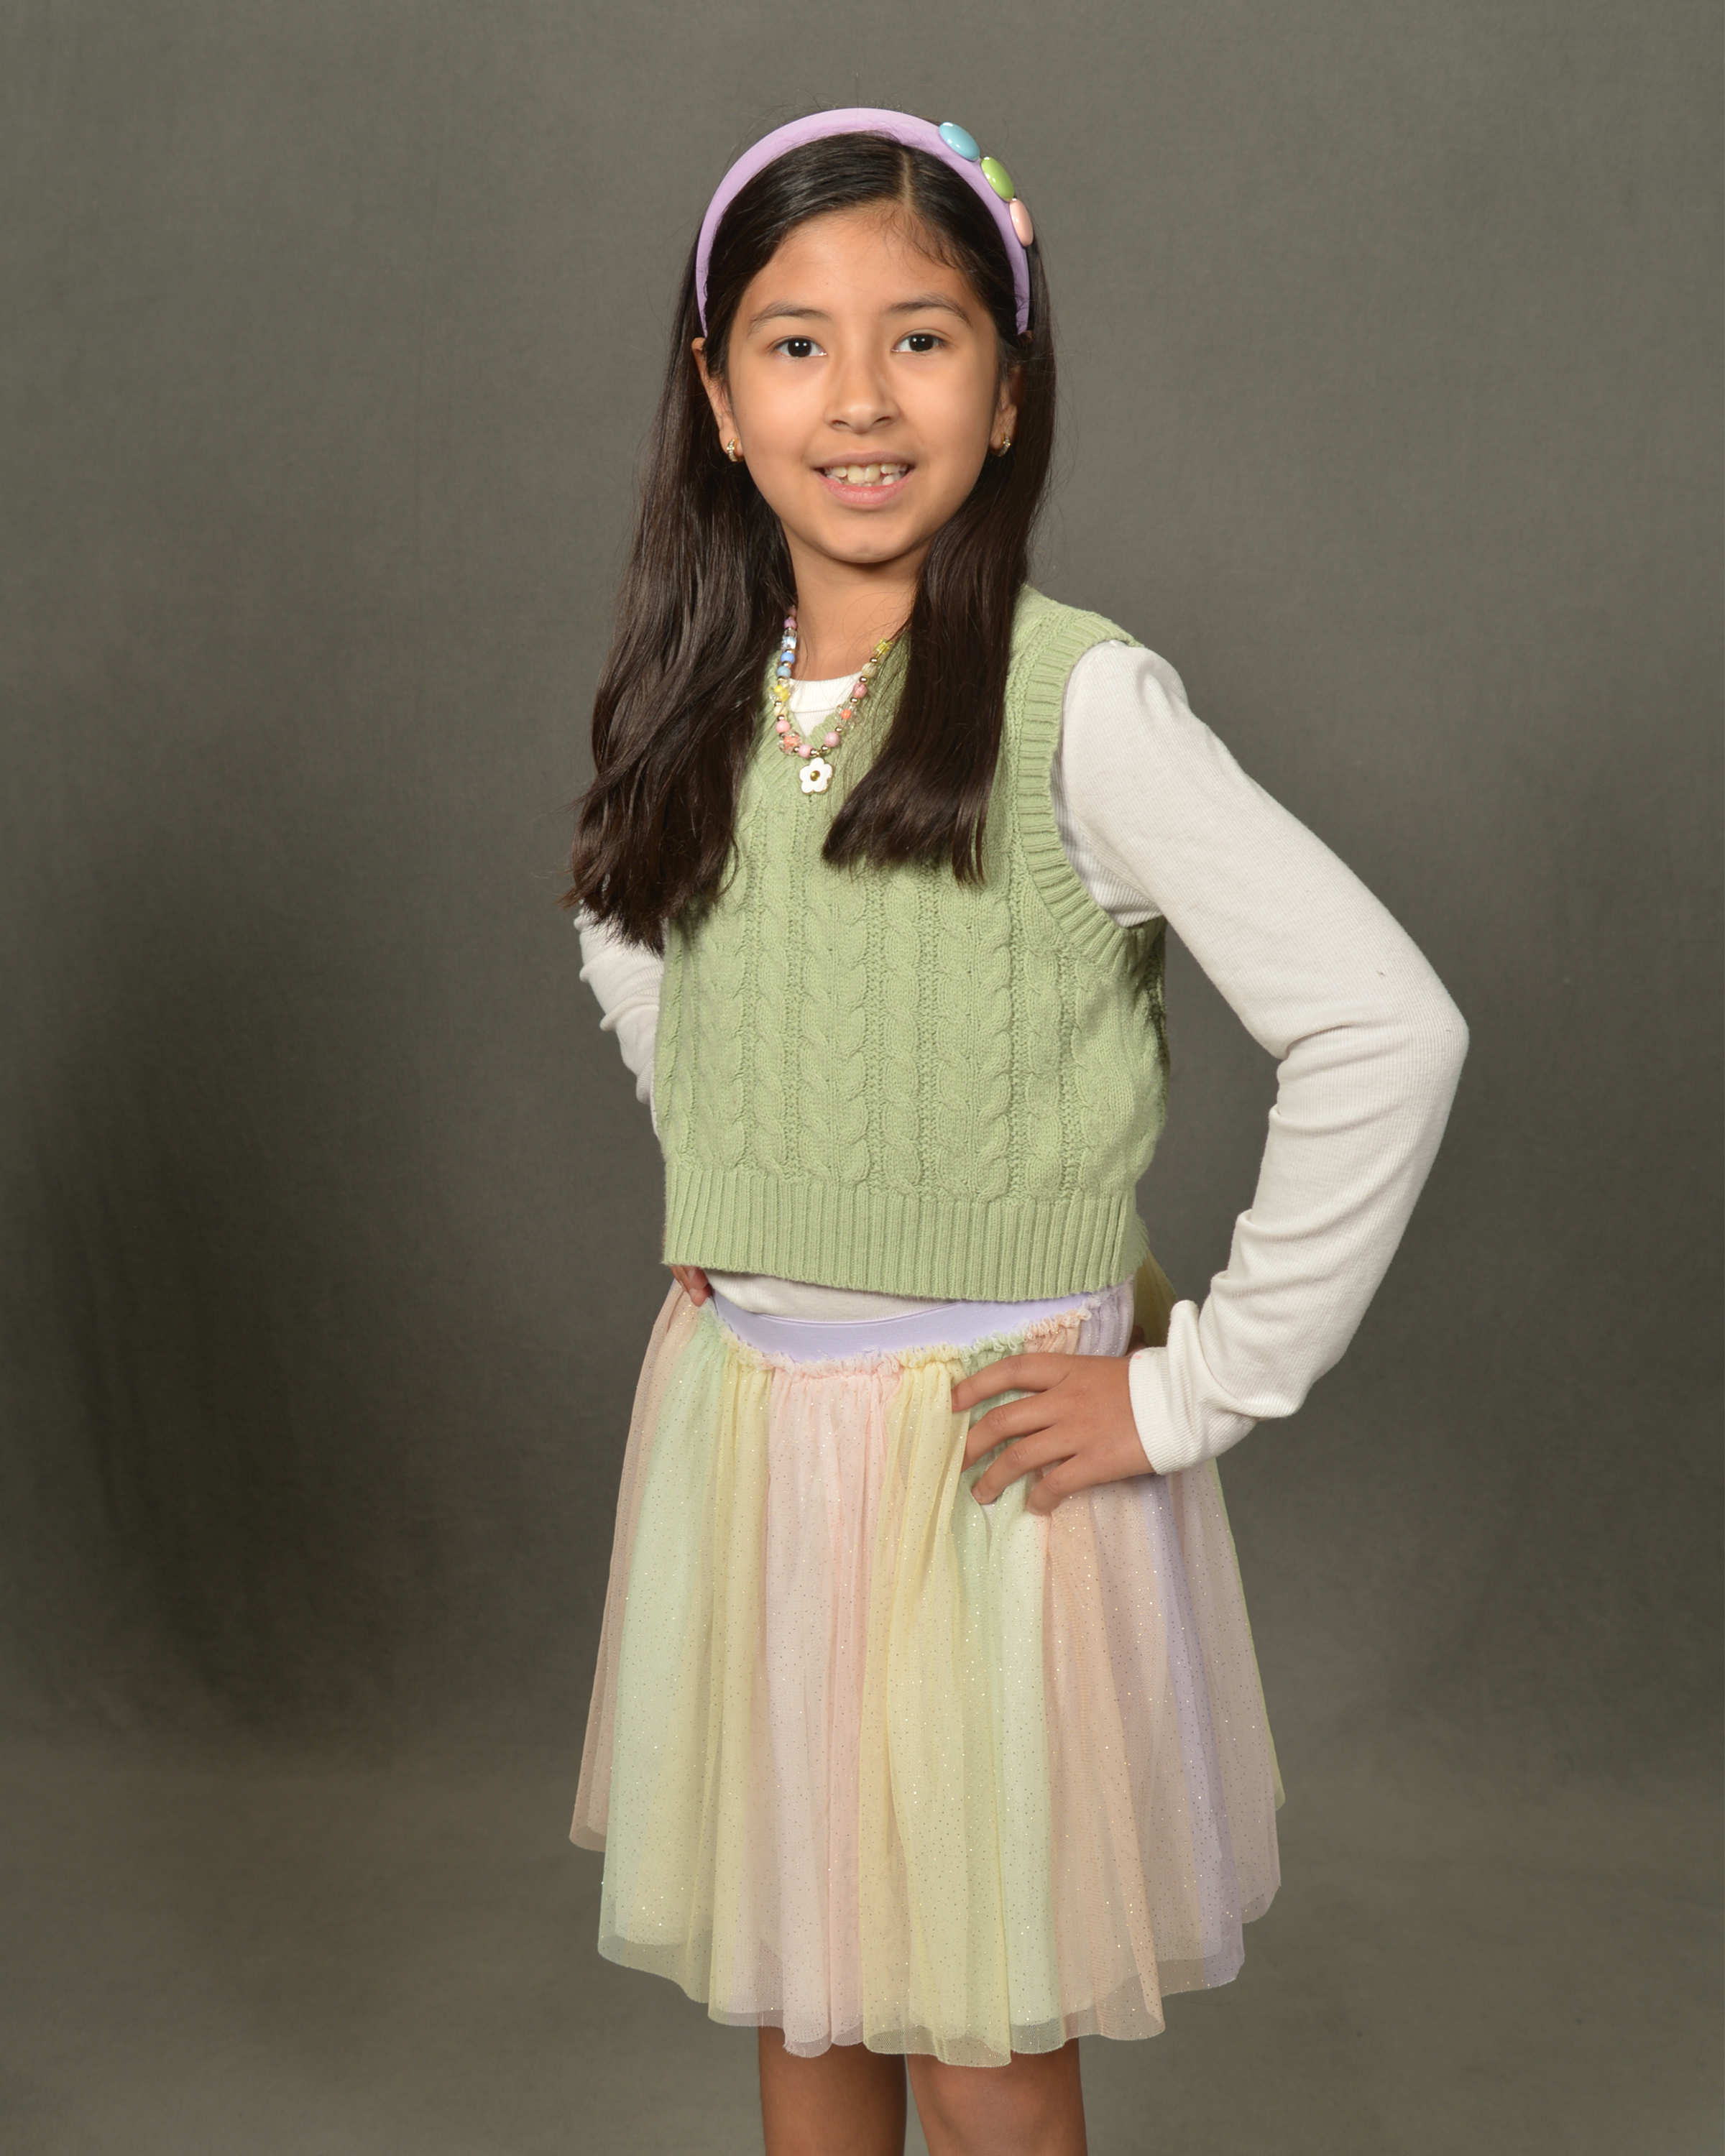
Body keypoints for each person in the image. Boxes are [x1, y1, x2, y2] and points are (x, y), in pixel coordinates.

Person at [562, 107, 1467, 2156]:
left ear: (1009, 383)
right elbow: (627, 925)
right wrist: (731, 1158)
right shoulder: (705, 693)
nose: (860, 398)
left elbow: (1385, 1029)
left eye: (924, 337)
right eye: (796, 344)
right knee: (807, 2006)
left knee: (980, 2056)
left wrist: (1193, 1389)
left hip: (987, 1474)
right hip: (753, 1438)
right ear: (716, 396)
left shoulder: (1080, 708)